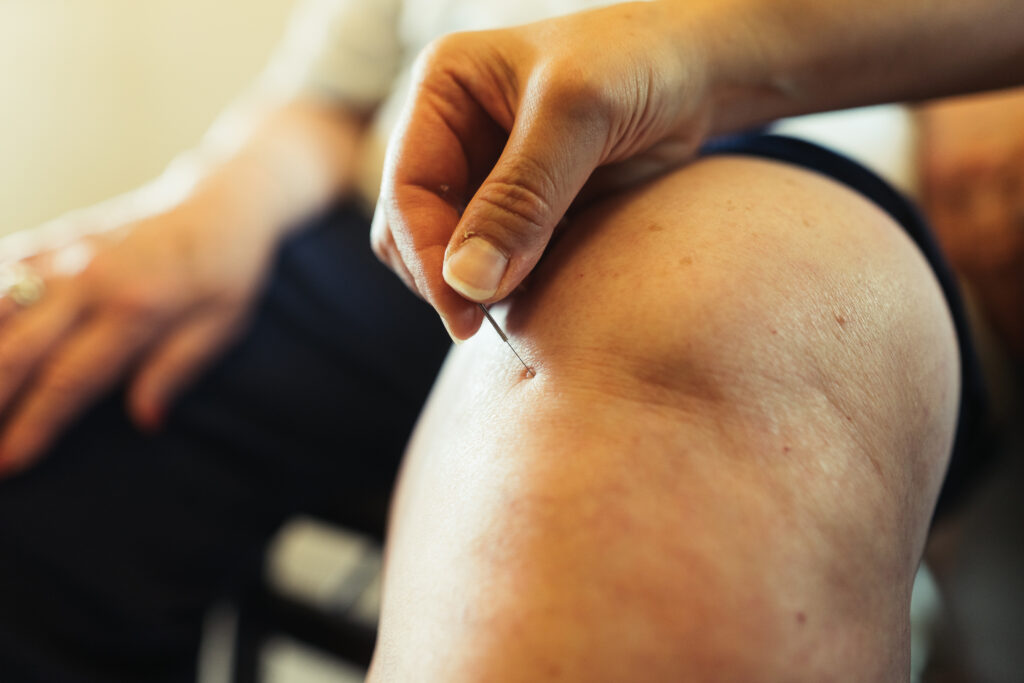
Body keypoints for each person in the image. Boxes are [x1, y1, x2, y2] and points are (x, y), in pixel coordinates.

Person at [0, 1, 1018, 681]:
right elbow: (329, 92)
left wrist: (698, 45)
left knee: (676, 348)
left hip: (775, 174)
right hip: (396, 222)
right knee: (41, 392)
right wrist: (208, 205)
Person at [366, 0, 1024, 680]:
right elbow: (318, 111)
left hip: (794, 154)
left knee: (671, 335)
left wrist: (686, 46)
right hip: (430, 228)